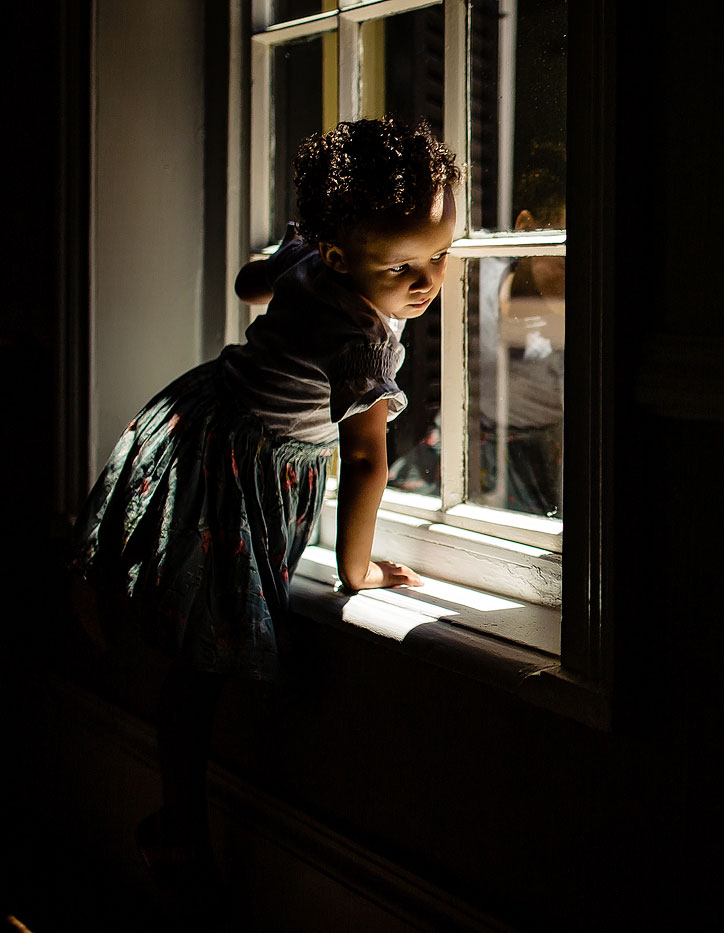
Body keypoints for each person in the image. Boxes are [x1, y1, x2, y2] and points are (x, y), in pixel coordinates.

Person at [69, 115, 458, 909]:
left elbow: (252, 286)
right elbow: (365, 457)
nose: (427, 281)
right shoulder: (365, 343)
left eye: (441, 256)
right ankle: (179, 825)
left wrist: (294, 256)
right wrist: (356, 570)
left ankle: (173, 802)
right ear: (346, 255)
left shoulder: (317, 259)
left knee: (181, 614)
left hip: (204, 410)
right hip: (238, 465)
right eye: (404, 266)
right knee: (205, 653)